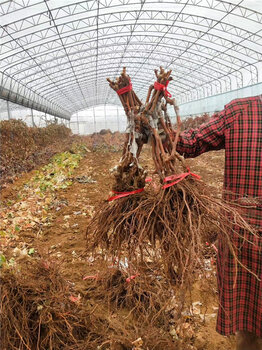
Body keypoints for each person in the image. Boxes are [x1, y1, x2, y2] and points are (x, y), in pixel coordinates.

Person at [175, 95, 262, 350]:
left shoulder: (241, 110)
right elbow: (189, 143)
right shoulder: (240, 111)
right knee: (248, 325)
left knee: (247, 326)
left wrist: (155, 129)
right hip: (243, 238)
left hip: (242, 237)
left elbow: (188, 143)